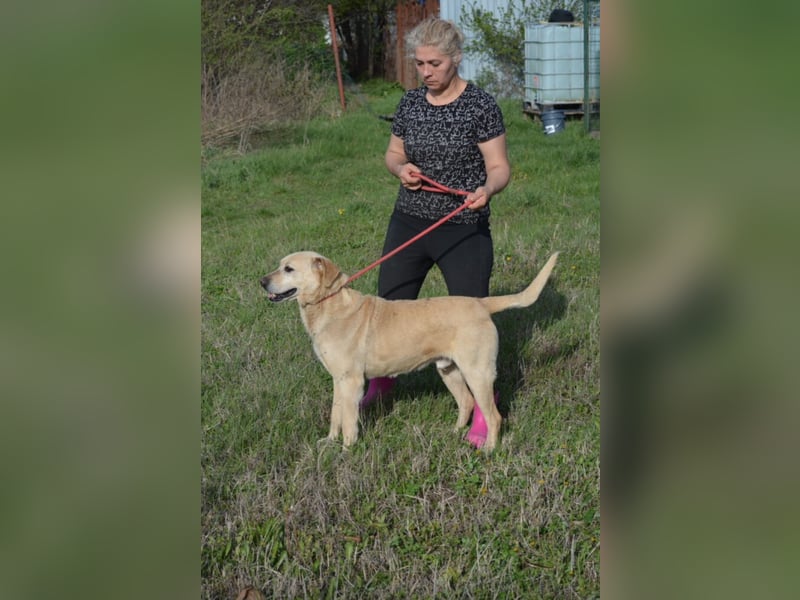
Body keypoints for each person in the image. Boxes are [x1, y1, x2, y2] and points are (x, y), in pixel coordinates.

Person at [359, 17, 511, 448]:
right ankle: (381, 383)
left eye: (435, 63)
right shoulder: (410, 103)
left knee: (467, 320)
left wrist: (487, 189)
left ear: (456, 59)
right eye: (419, 63)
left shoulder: (480, 105)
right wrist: (400, 169)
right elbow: (393, 153)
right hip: (409, 219)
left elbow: (499, 167)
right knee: (388, 307)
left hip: (461, 226)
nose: (425, 72)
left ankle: (484, 407)